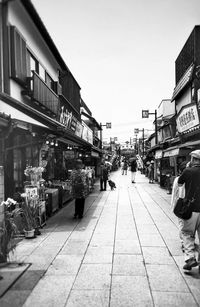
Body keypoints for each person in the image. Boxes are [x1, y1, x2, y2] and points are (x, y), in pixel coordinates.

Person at [178, 150, 200, 270]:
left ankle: (190, 258)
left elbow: (180, 183)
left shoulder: (188, 171)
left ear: (194, 159)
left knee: (187, 233)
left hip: (191, 209)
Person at [171, 161, 188, 251]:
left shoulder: (177, 179)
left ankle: (184, 243)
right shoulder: (180, 179)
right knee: (185, 224)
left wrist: (173, 205)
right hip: (187, 204)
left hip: (181, 204)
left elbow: (174, 193)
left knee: (182, 224)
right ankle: (185, 243)